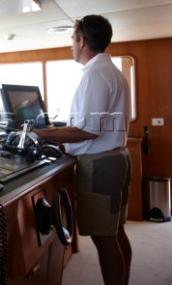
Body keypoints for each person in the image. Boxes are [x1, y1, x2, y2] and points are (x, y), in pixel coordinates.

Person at [33, 15, 132, 285]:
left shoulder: (96, 74)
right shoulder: (112, 71)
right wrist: (56, 133)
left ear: (83, 40)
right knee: (116, 231)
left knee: (104, 237)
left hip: (101, 163)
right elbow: (89, 124)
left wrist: (40, 134)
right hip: (116, 158)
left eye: (72, 39)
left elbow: (88, 129)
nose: (71, 46)